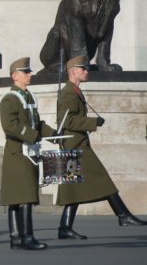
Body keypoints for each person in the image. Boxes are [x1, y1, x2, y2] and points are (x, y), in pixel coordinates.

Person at [55, 55, 147, 240]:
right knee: (101, 177)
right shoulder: (68, 93)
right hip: (76, 146)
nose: (86, 72)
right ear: (73, 71)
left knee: (72, 188)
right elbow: (68, 121)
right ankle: (123, 215)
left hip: (74, 145)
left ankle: (65, 228)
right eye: (84, 69)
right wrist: (93, 122)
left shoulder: (74, 91)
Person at [0, 57, 56, 250]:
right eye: (26, 72)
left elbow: (37, 123)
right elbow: (10, 126)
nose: (30, 75)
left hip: (29, 151)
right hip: (17, 152)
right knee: (23, 197)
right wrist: (33, 136)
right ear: (15, 76)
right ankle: (25, 237)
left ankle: (17, 237)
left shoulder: (29, 97)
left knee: (21, 196)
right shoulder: (9, 99)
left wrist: (53, 134)